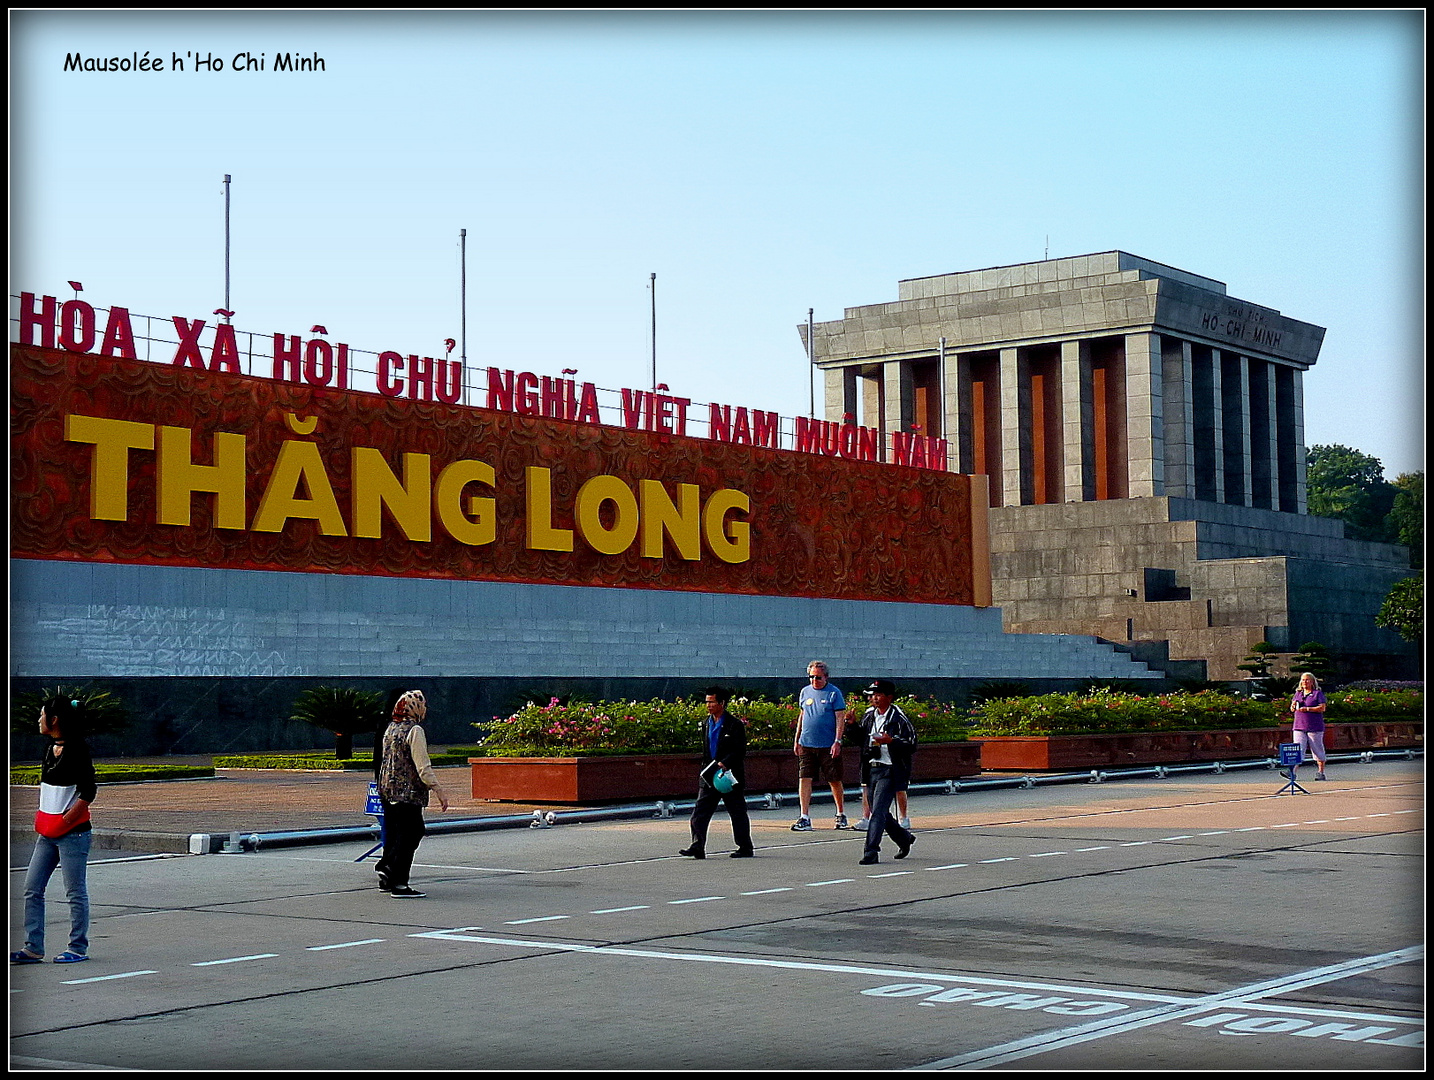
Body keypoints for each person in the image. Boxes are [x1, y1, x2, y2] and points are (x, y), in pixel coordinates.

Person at [13, 697, 96, 965]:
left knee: (74, 891)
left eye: (42, 716)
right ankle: (33, 947)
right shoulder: (51, 748)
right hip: (48, 832)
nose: (39, 721)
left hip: (73, 833)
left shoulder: (78, 748)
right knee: (32, 888)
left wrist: (69, 817)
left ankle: (77, 947)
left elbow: (89, 790)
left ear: (55, 720)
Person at [374, 690, 450, 897]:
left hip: (387, 790)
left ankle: (388, 872)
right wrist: (438, 790)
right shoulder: (414, 730)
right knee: (412, 832)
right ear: (415, 708)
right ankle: (398, 882)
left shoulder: (391, 728)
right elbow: (423, 766)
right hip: (408, 793)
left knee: (397, 833)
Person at [680, 687, 753, 859]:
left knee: (737, 812)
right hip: (710, 775)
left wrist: (724, 763)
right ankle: (697, 846)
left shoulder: (734, 725)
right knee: (700, 811)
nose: (708, 705)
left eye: (712, 702)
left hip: (728, 776)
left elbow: (739, 751)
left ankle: (745, 847)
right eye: (707, 702)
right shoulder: (707, 723)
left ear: (722, 703)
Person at [857, 680, 916, 866]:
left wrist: (891, 741)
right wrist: (851, 726)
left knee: (878, 813)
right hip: (872, 767)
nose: (873, 698)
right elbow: (861, 739)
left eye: (878, 694)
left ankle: (871, 851)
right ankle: (903, 838)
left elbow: (912, 744)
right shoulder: (869, 716)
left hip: (891, 769)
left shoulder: (898, 718)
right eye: (872, 695)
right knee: (879, 811)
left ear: (889, 697)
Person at [791, 661, 849, 831]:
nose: (814, 680)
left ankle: (840, 813)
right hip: (807, 743)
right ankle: (804, 816)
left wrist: (837, 741)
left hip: (827, 745)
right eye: (811, 677)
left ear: (826, 677)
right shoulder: (805, 692)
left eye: (818, 677)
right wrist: (797, 738)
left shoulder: (834, 693)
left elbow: (840, 718)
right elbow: (802, 715)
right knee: (804, 778)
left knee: (834, 779)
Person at [1290, 672, 1329, 780]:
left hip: (1314, 726)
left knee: (1317, 749)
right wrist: (1293, 707)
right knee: (1297, 749)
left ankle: (1320, 772)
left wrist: (1308, 709)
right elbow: (1292, 707)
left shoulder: (1317, 694)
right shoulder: (1298, 693)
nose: (1304, 682)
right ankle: (1292, 772)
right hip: (1299, 726)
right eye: (1303, 680)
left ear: (1312, 682)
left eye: (1307, 680)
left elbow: (1322, 708)